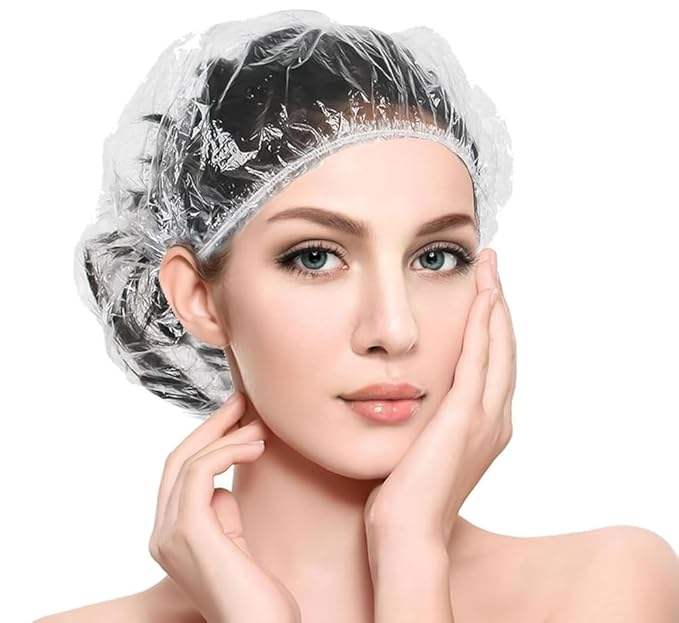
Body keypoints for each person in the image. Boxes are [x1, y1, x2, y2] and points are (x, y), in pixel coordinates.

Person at [36, 9, 679, 623]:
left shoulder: (605, 585)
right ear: (199, 298)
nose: (394, 330)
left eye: (436, 257)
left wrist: (410, 551)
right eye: (316, 257)